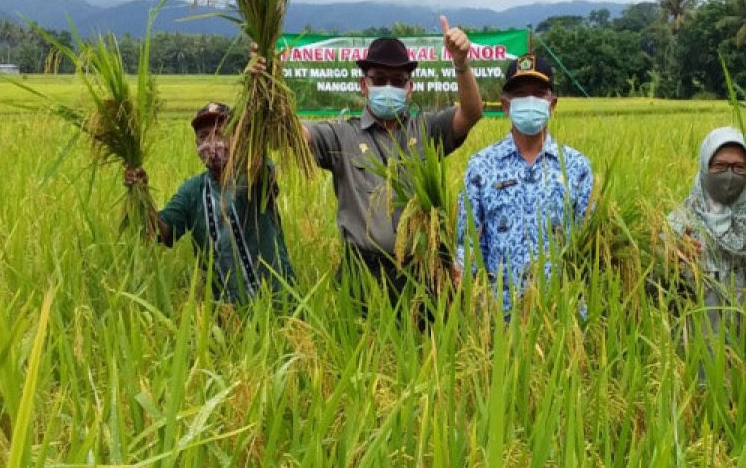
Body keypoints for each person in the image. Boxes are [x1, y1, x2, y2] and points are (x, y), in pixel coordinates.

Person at [287, 17, 483, 312]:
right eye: (379, 80)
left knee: (424, 353)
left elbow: (471, 113)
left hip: (419, 271)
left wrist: (461, 64)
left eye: (398, 81)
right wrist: (266, 84)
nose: (388, 86)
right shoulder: (342, 135)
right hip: (361, 273)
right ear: (363, 85)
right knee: (357, 354)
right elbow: (294, 136)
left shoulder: (426, 130)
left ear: (410, 87)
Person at [455, 53, 593, 318]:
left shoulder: (576, 167)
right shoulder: (482, 166)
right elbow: (467, 241)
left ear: (552, 104)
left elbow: (588, 247)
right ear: (506, 106)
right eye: (520, 95)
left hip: (562, 315)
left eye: (538, 94)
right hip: (497, 318)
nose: (529, 101)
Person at [124, 102, 295, 303]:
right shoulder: (193, 191)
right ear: (196, 144)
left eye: (220, 133)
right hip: (227, 314)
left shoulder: (254, 175)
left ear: (237, 138)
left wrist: (253, 119)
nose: (212, 142)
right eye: (203, 136)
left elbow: (260, 167)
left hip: (279, 303)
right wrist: (140, 192)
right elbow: (161, 232)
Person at [663, 127, 746, 347]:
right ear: (704, 166)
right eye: (720, 166)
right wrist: (673, 259)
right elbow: (652, 287)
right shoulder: (678, 223)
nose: (729, 175)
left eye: (738, 168)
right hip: (693, 344)